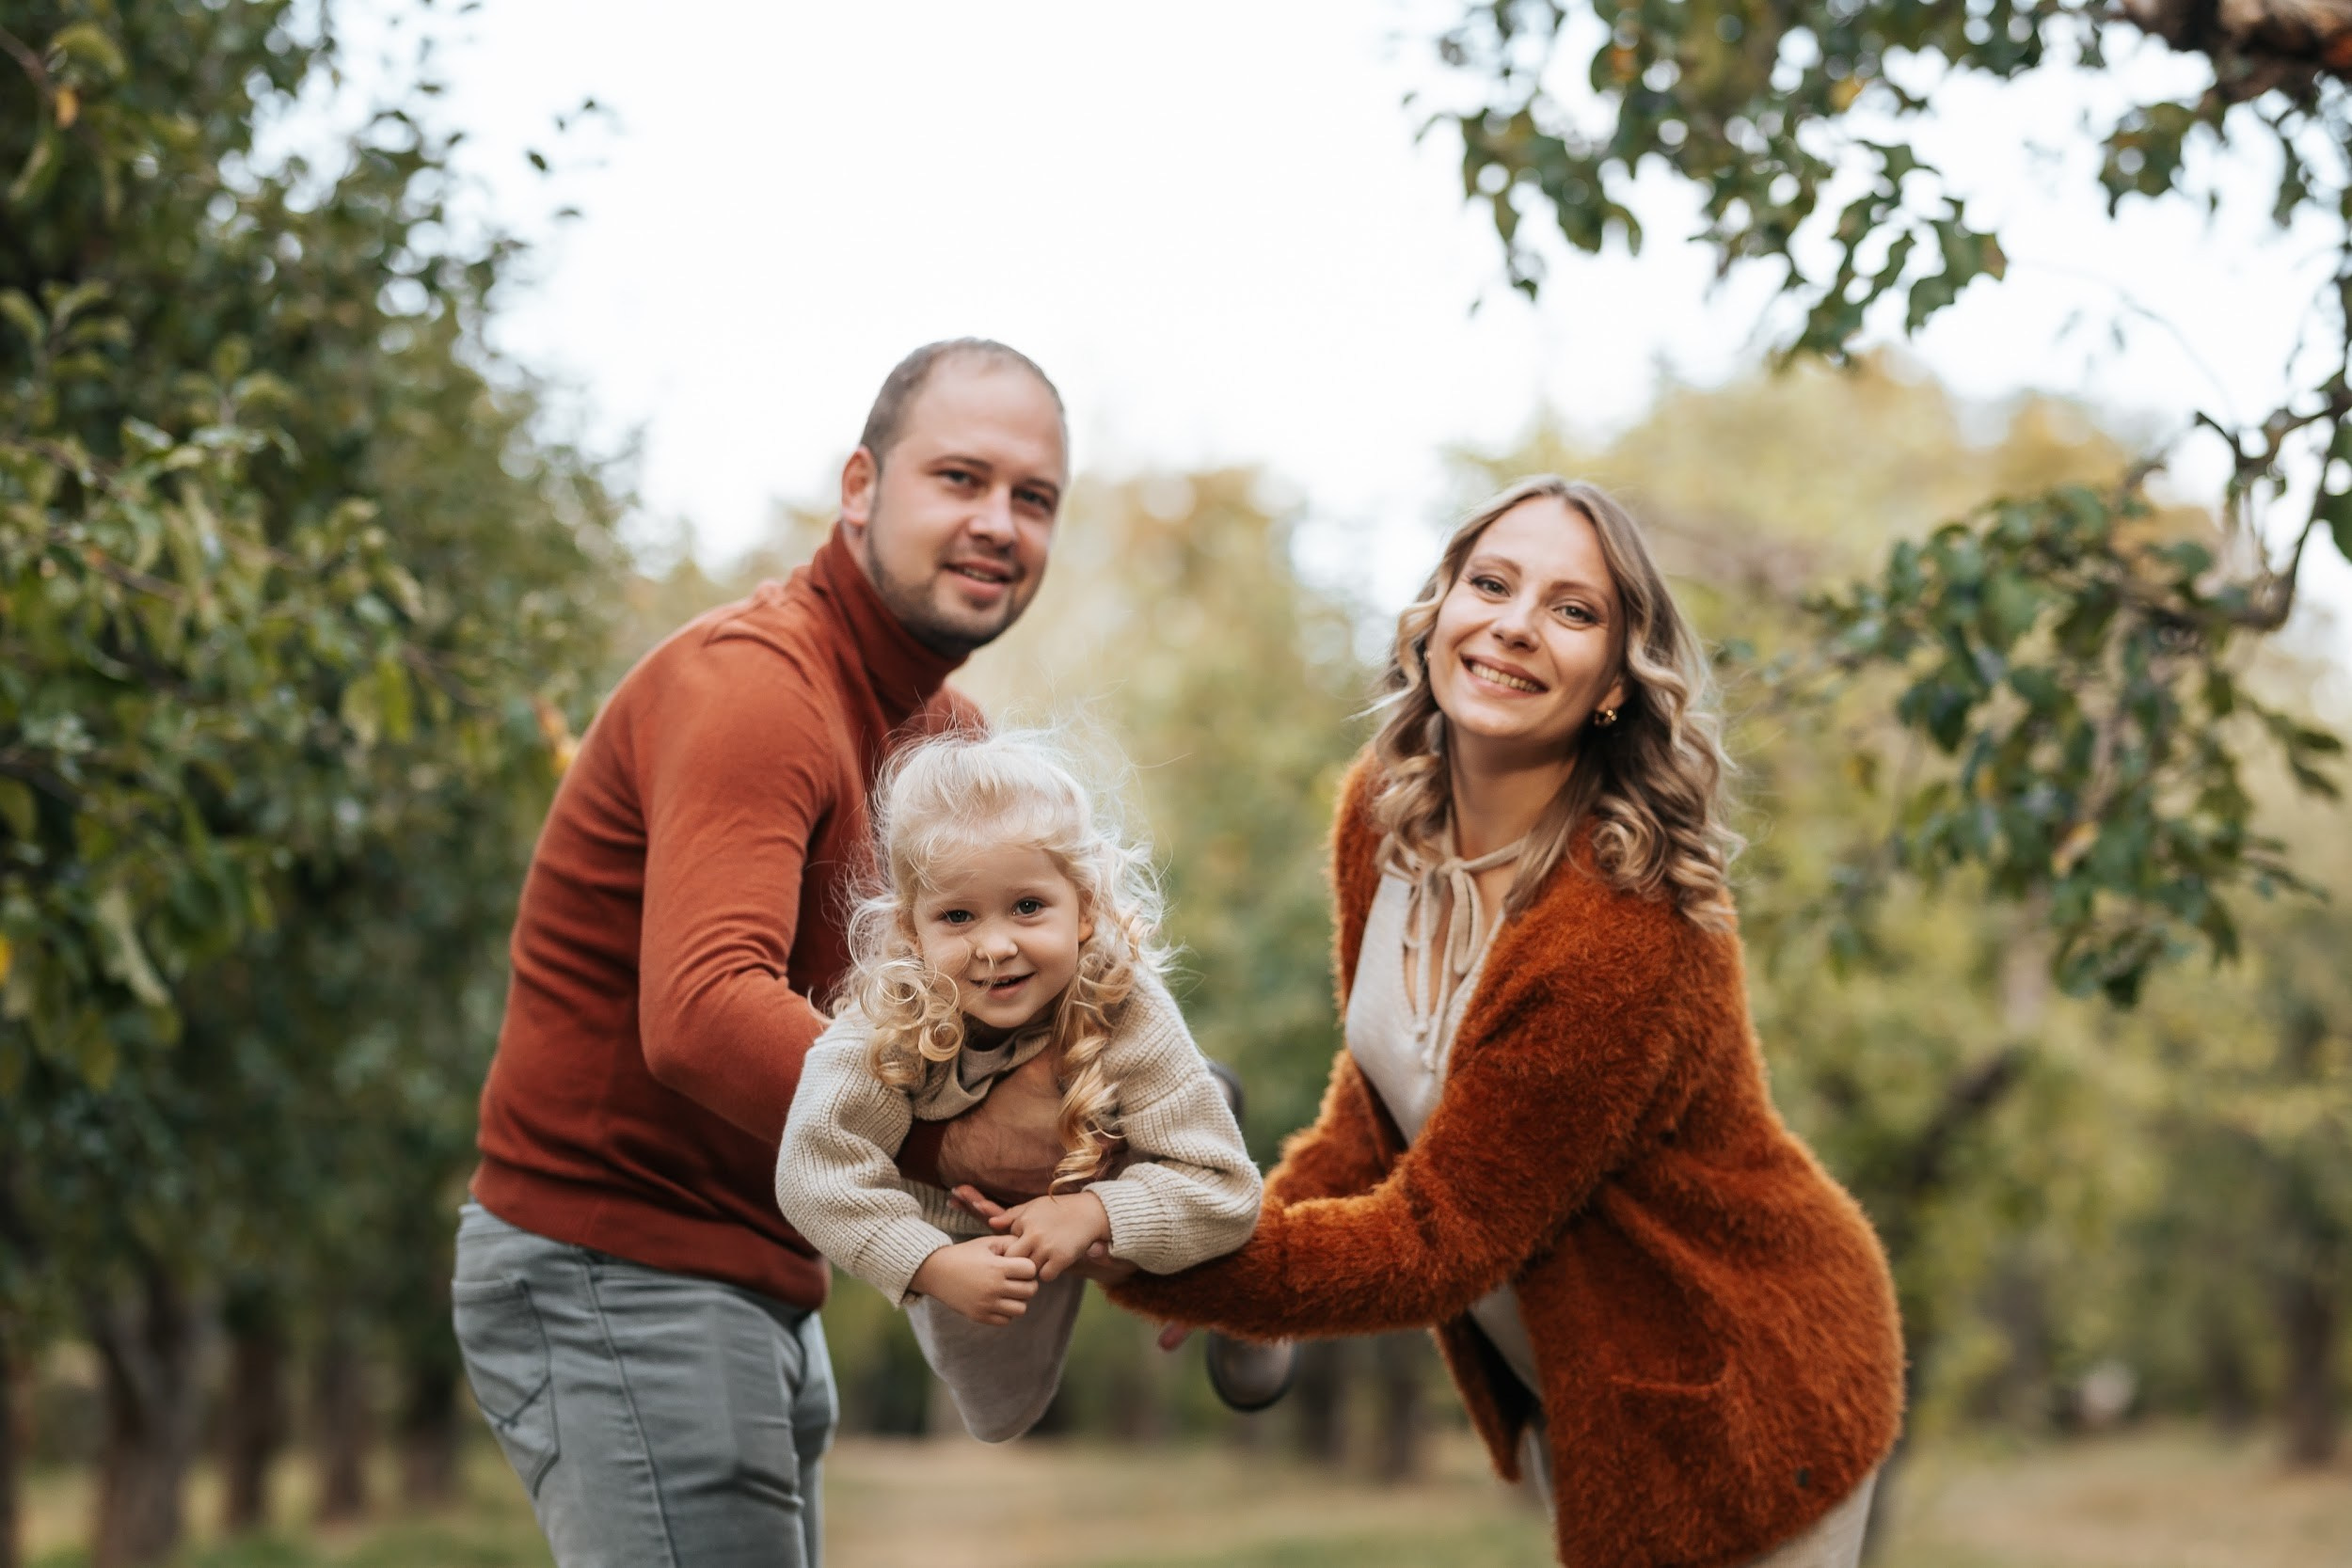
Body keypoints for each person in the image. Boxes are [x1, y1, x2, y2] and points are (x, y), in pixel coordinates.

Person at [1102, 477, 1908, 1568]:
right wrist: (1261, 1225)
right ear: (1437, 615)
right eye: (1491, 583)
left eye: (1573, 610)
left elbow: (1438, 1240)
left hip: (1742, 1395)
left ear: (1617, 683)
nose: (1517, 623)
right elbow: (1384, 1083)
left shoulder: (1620, 932)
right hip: (1585, 1382)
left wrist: (1135, 1247)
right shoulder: (1387, 811)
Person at [450, 340, 1085, 1568]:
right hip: (621, 1261)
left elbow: (971, 1025)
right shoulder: (758, 688)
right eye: (960, 477)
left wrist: (1140, 1185)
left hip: (752, 1274)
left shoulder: (942, 740)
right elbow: (700, 1008)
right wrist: (959, 1136)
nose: (998, 522)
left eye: (1034, 497)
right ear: (861, 486)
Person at [776, 730, 1260, 1442]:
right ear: (911, 930)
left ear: (1084, 908)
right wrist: (932, 1263)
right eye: (958, 916)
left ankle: (1204, 1106)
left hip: (1117, 1155)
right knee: (998, 1411)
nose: (995, 945)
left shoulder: (1127, 1004)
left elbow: (1227, 1191)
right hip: (968, 1225)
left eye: (1028, 906)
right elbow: (813, 1170)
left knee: (1209, 1242)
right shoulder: (885, 1022)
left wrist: (1091, 1212)